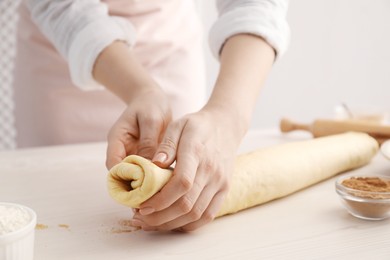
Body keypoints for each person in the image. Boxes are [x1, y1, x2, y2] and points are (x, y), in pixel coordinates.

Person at [14, 0, 290, 231]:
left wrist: (228, 115)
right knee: (53, 201)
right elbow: (61, 6)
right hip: (62, 59)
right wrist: (140, 89)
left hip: (168, 46)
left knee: (188, 183)